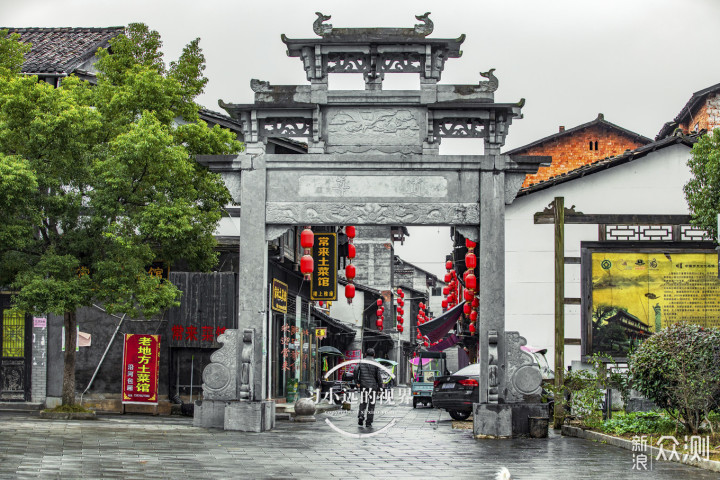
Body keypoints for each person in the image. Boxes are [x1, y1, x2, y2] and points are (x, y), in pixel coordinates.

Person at [353, 347, 383, 427]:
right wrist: (380, 387)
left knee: (363, 403)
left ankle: (361, 416)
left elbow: (355, 370)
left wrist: (357, 382)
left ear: (365, 354)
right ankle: (368, 422)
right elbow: (379, 377)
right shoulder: (376, 363)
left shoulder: (361, 362)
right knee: (371, 404)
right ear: (374, 355)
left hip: (363, 385)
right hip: (373, 387)